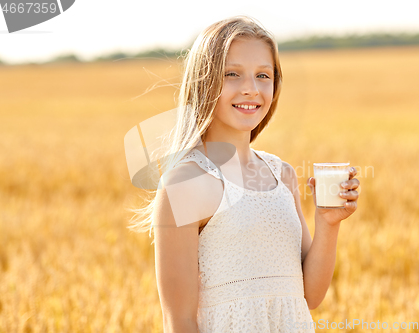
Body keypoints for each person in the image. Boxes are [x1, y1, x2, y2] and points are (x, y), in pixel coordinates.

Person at [129, 15, 360, 332]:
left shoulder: (283, 175)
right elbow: (178, 319)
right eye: (232, 74)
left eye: (263, 75)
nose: (251, 89)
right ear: (203, 82)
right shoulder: (184, 183)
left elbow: (310, 295)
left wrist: (328, 223)